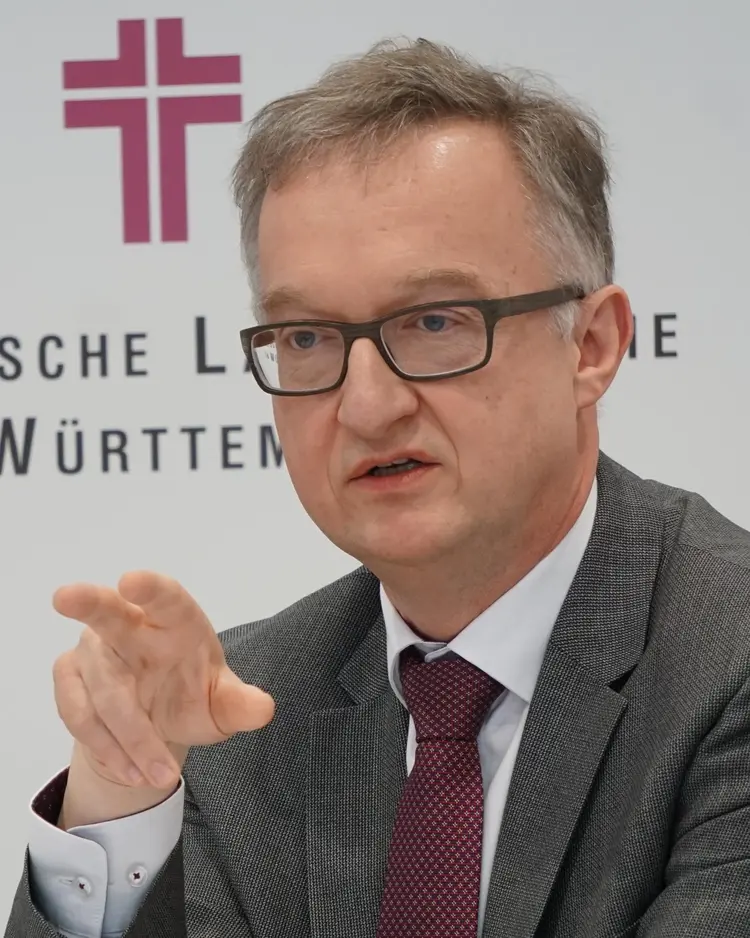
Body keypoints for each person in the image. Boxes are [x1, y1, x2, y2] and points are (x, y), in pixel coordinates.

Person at [6, 37, 750, 938]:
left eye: (434, 322)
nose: (366, 405)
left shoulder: (727, 654)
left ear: (591, 346)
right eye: (307, 338)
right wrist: (124, 796)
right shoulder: (238, 718)